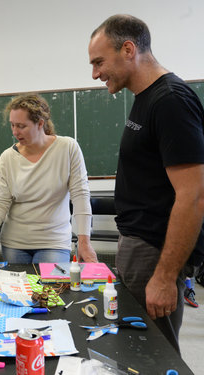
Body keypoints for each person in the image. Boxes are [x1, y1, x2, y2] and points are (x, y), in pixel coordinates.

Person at [88, 14, 204, 352]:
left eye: (99, 62)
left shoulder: (170, 101)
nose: (95, 73)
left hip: (154, 253)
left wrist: (166, 276)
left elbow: (194, 196)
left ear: (128, 49)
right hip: (137, 247)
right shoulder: (146, 98)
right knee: (134, 348)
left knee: (155, 355)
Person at [0, 94, 97, 264]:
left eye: (22, 126)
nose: (15, 132)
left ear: (40, 123)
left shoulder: (67, 148)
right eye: (12, 125)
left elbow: (80, 196)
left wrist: (84, 242)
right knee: (18, 290)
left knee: (50, 289)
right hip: (15, 244)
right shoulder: (7, 158)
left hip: (54, 242)